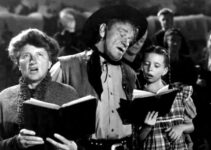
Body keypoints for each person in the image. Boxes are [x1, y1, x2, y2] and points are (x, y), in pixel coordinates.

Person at [50, 5, 148, 150]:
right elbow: (45, 117)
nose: (126, 43)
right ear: (103, 30)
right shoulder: (66, 67)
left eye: (129, 39)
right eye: (122, 34)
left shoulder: (130, 74)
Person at [0, 28, 79, 150]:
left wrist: (74, 148)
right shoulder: (4, 98)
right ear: (18, 64)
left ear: (49, 63)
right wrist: (16, 143)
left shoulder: (68, 94)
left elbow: (83, 141)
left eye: (40, 55)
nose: (33, 61)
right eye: (26, 56)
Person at [137, 45, 197, 150]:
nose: (150, 69)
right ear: (142, 66)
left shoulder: (179, 94)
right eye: (146, 64)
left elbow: (191, 126)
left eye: (156, 65)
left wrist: (181, 127)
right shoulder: (138, 98)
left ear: (164, 70)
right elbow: (136, 140)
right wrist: (147, 127)